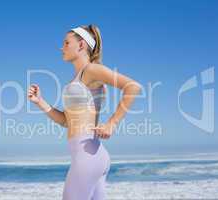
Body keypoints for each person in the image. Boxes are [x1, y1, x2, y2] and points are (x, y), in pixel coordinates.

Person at [27, 24, 141, 200]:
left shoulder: (91, 70)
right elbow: (66, 121)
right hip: (92, 154)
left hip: (87, 157)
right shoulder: (78, 77)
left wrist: (112, 123)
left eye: (66, 43)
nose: (61, 47)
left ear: (81, 45)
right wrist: (40, 102)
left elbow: (133, 87)